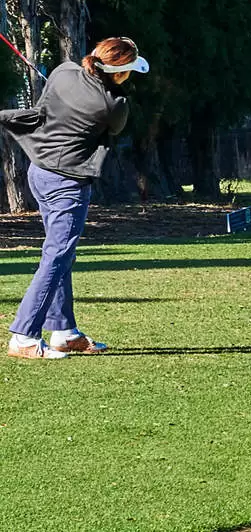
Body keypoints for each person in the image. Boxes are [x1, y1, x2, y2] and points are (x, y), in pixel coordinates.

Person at [0, 37, 148, 358]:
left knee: (61, 253)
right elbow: (113, 127)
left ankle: (63, 330)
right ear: (119, 73)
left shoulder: (63, 71)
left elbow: (58, 94)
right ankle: (24, 336)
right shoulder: (115, 105)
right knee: (57, 255)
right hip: (66, 183)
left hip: (39, 172)